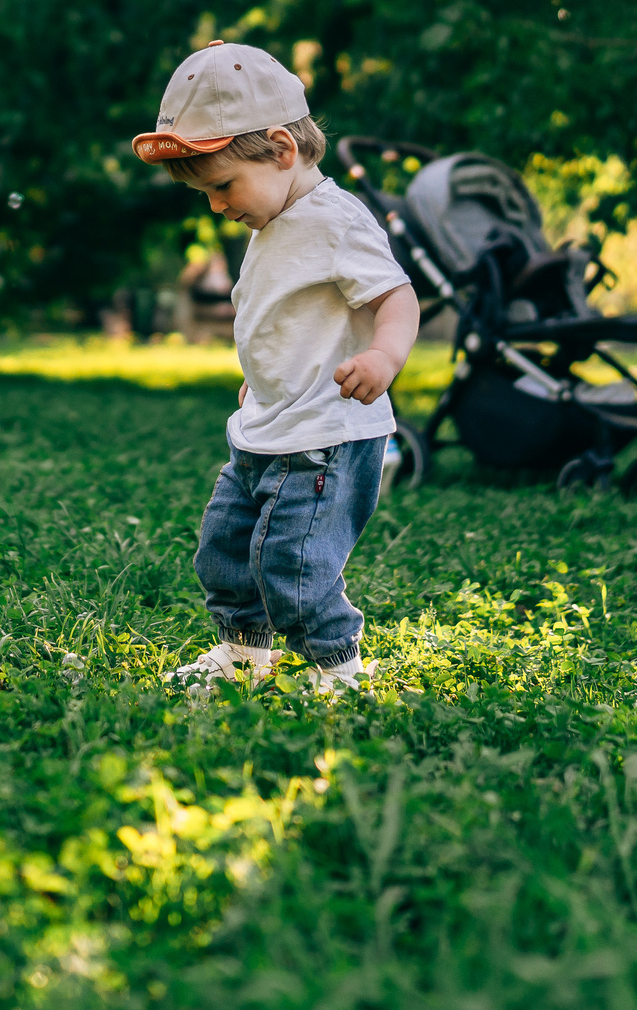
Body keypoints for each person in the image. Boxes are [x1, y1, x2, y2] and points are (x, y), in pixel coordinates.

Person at [135, 43, 422, 692]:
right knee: (226, 549)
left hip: (326, 434)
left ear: (281, 149)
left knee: (292, 560)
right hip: (268, 424)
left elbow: (396, 297)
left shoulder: (335, 220)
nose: (216, 206)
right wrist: (265, 374)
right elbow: (283, 316)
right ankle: (244, 655)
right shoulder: (275, 223)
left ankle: (336, 668)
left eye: (222, 187)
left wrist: (383, 354)